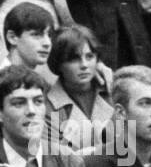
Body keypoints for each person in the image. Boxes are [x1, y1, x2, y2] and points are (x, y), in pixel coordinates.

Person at [0, 1, 55, 138]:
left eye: (49, 35)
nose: (47, 43)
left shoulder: (44, 86)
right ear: (12, 37)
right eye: (36, 35)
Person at [43, 24, 113, 154]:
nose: (84, 65)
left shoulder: (112, 91)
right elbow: (54, 159)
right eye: (74, 59)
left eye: (89, 56)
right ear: (58, 63)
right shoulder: (49, 108)